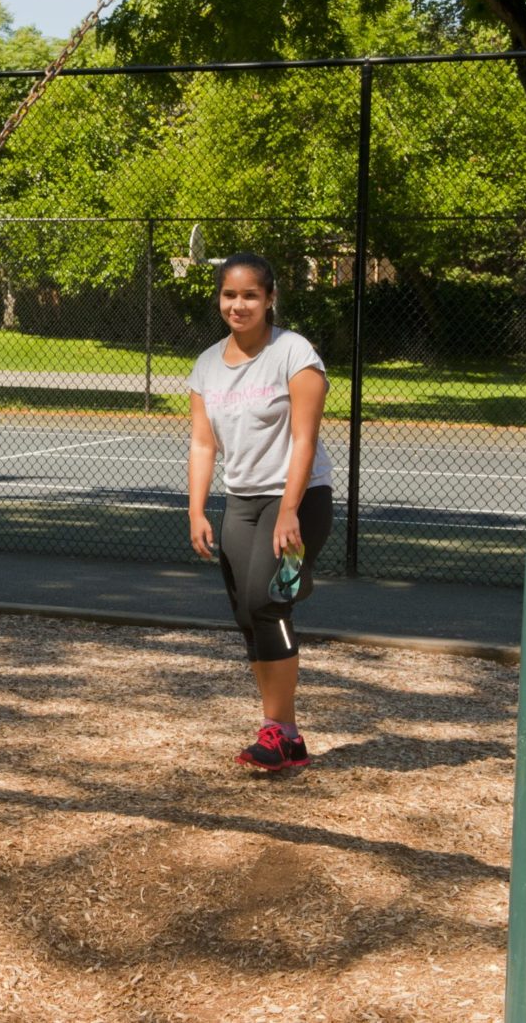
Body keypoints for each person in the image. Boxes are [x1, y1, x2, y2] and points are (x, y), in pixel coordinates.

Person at [186, 252, 334, 771]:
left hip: (297, 500)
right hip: (241, 503)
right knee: (247, 613)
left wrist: (290, 509)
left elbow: (304, 438)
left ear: (270, 298)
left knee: (267, 603)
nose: (238, 304)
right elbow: (203, 445)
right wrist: (197, 510)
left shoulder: (293, 353)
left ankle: (281, 731)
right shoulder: (206, 364)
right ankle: (281, 733)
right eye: (230, 294)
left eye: (250, 295)